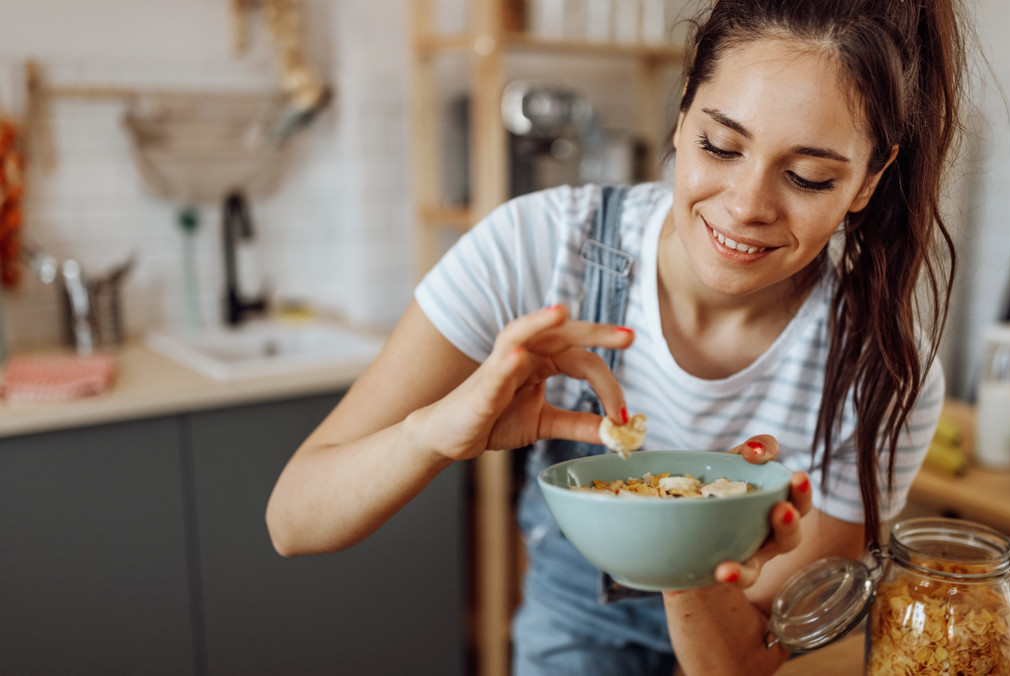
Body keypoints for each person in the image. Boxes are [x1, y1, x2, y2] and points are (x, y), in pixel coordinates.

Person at [266, 0, 968, 673]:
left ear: (869, 182)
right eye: (720, 146)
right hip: (573, 628)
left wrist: (686, 540)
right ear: (681, 112)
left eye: (808, 177)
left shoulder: (882, 370)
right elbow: (294, 520)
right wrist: (438, 433)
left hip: (723, 634)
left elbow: (746, 660)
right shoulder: (538, 246)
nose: (747, 205)